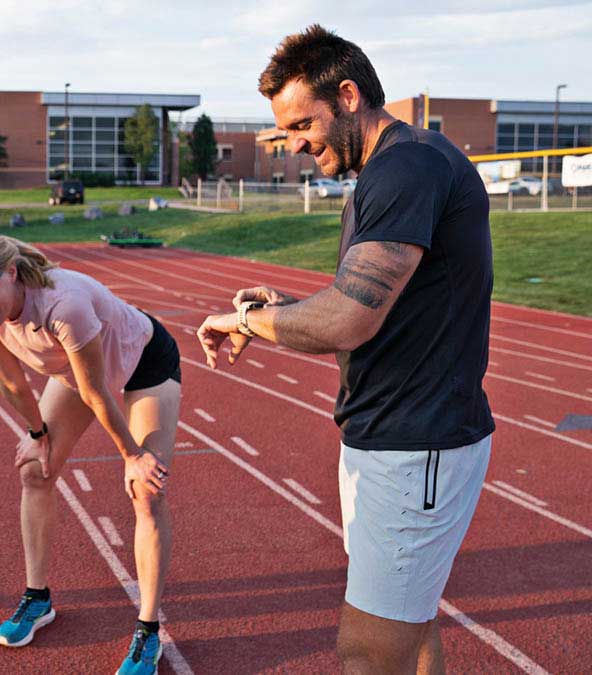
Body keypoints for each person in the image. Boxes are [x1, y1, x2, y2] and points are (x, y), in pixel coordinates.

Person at [196, 25, 495, 674]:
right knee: (411, 628)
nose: (294, 144)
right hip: (400, 437)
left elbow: (350, 317)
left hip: (416, 446)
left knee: (365, 654)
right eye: (284, 132)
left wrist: (247, 320)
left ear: (350, 95)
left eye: (303, 123)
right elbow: (376, 300)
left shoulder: (407, 165)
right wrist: (276, 308)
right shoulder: (395, 166)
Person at [0, 229, 182, 675]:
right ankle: (38, 599)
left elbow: (97, 392)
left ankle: (148, 629)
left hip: (143, 361)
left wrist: (132, 455)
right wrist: (37, 433)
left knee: (146, 490)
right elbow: (11, 381)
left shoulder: (62, 303)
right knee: (36, 468)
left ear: (11, 273)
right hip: (80, 373)